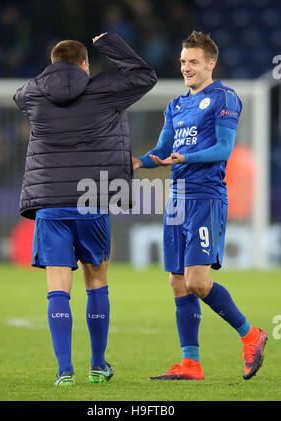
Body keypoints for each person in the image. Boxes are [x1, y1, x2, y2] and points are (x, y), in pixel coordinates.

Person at [14, 32, 157, 386]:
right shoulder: (104, 90)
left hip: (49, 203)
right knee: (96, 281)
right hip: (90, 199)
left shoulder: (34, 93)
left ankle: (64, 370)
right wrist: (108, 42)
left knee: (57, 287)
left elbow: (21, 95)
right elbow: (144, 76)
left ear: (52, 65)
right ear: (84, 64)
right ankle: (97, 364)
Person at [133, 30, 267, 381]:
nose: (186, 67)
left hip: (205, 198)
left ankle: (251, 335)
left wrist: (186, 156)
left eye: (193, 61)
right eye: (182, 62)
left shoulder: (225, 97)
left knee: (197, 282)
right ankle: (190, 363)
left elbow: (224, 149)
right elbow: (162, 151)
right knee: (178, 282)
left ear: (211, 63)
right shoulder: (176, 105)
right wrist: (136, 162)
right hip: (176, 201)